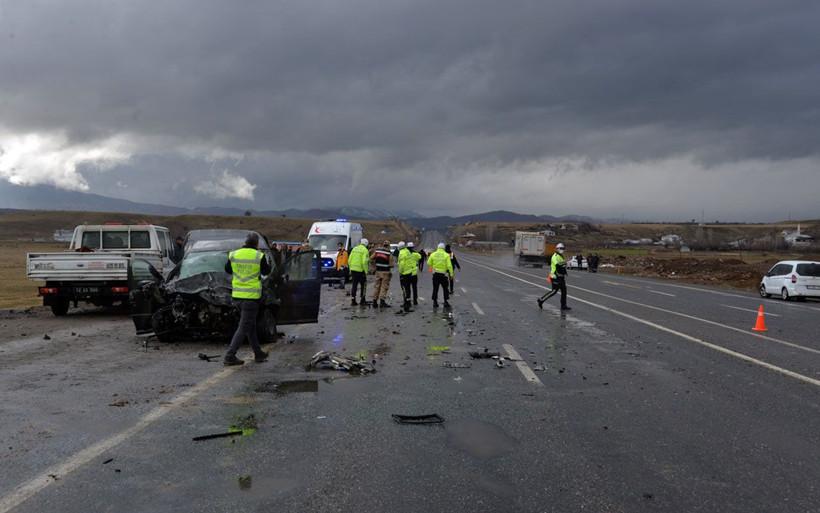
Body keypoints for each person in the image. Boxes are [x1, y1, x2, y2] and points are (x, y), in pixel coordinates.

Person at [223, 232, 272, 366]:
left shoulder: (234, 254)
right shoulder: (259, 256)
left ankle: (258, 353)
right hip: (251, 297)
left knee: (250, 325)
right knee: (244, 326)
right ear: (257, 243)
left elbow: (227, 270)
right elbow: (266, 271)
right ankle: (230, 355)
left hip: (237, 297)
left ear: (245, 242)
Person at [537, 242, 570, 311]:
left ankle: (563, 305)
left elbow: (563, 266)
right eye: (561, 248)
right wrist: (564, 262)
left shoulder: (560, 256)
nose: (562, 250)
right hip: (555, 276)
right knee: (554, 291)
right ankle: (541, 300)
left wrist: (565, 273)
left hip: (561, 277)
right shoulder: (555, 256)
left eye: (563, 248)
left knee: (564, 291)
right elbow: (558, 265)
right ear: (557, 249)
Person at [369, 240, 395, 307]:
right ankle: (382, 301)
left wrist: (374, 267)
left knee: (377, 286)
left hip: (378, 271)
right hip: (385, 272)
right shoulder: (388, 253)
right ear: (388, 246)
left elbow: (371, 259)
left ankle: (374, 301)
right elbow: (392, 264)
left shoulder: (377, 251)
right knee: (384, 286)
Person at [428, 242, 453, 308]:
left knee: (435, 288)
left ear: (438, 248)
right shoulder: (446, 255)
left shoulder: (433, 254)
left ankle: (435, 302)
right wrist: (451, 275)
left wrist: (433, 266)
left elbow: (428, 263)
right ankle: (446, 302)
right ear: (444, 248)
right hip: (443, 275)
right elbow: (449, 266)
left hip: (436, 274)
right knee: (445, 288)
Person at [398, 241, 421, 311]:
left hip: (405, 273)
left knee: (406, 288)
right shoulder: (412, 254)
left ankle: (407, 301)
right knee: (414, 287)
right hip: (413, 273)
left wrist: (400, 272)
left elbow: (402, 264)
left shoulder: (403, 253)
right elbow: (419, 256)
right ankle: (415, 300)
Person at [348, 238, 369, 306]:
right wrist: (366, 271)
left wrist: (350, 268)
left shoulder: (354, 249)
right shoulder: (365, 250)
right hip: (360, 271)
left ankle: (353, 299)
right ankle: (362, 300)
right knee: (363, 285)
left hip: (353, 270)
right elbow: (364, 262)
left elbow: (349, 259)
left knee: (354, 285)